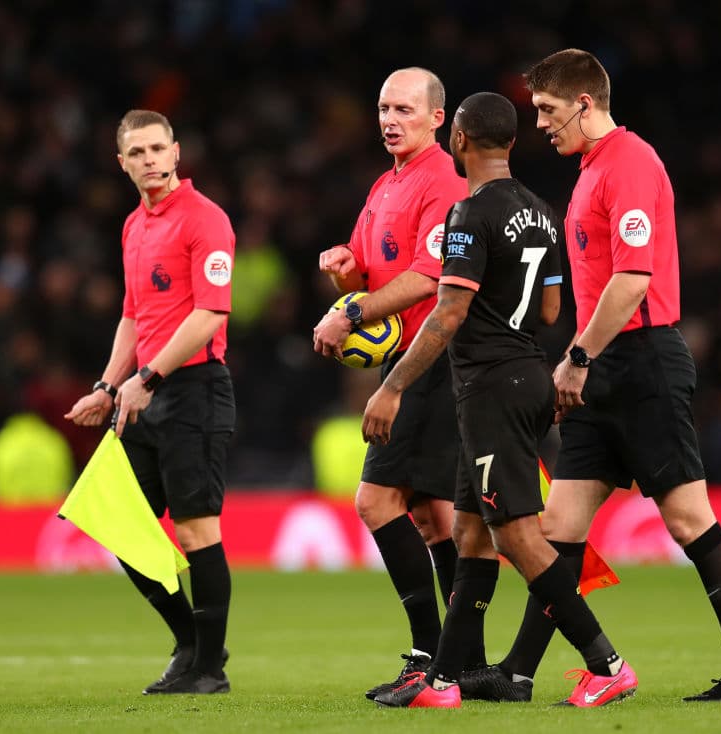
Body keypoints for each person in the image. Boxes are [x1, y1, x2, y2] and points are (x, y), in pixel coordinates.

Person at [479, 48, 721, 703]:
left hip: (642, 362)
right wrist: (586, 362)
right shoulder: (590, 170)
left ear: (585, 103)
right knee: (559, 528)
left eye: (550, 111)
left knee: (687, 518)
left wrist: (577, 356)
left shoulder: (630, 163)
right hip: (603, 367)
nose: (542, 125)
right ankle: (518, 672)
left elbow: (634, 280)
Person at [363, 91, 638, 709]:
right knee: (469, 532)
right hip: (526, 374)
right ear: (512, 142)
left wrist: (392, 386)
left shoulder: (468, 215)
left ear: (458, 140)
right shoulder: (542, 211)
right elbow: (549, 310)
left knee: (515, 535)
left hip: (490, 387)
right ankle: (444, 682)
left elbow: (449, 311)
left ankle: (607, 662)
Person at [311, 67, 472, 699]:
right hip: (401, 360)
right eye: (382, 107)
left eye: (403, 108)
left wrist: (349, 311)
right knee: (433, 520)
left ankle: (430, 657)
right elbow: (368, 281)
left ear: (437, 118)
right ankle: (461, 660)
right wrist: (344, 274)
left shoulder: (442, 183)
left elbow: (430, 280)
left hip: (429, 362)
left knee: (375, 503)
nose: (389, 119)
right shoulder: (385, 184)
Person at [64, 109, 235, 695]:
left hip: (194, 389)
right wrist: (107, 386)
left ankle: (209, 671)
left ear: (177, 152)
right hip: (144, 393)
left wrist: (149, 378)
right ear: (122, 163)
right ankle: (192, 642)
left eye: (158, 149)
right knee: (117, 522)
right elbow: (135, 317)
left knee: (195, 530)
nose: (150, 161)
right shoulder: (134, 226)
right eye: (137, 153)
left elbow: (210, 313)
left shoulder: (205, 219)